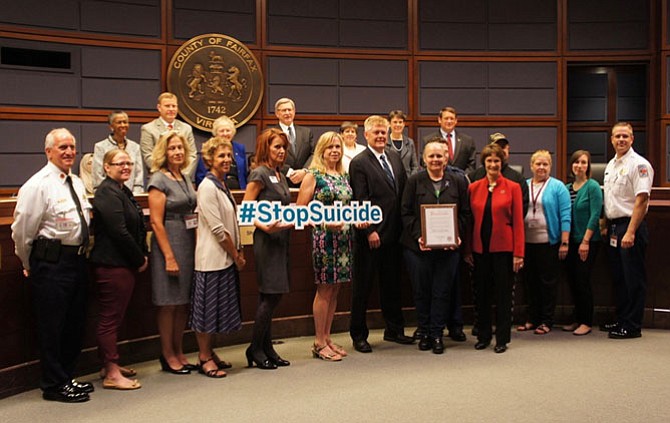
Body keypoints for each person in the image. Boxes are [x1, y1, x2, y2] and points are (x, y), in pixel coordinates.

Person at [11, 128, 94, 402]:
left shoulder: (77, 182)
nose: (69, 151)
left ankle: (67, 377)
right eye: (63, 147)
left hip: (77, 260)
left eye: (72, 146)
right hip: (51, 263)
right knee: (53, 325)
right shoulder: (38, 185)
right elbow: (22, 231)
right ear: (48, 152)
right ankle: (53, 384)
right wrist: (27, 261)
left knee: (74, 323)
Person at [349, 115, 413, 353]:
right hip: (371, 237)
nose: (380, 136)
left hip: (395, 236)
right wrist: (370, 232)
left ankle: (394, 330)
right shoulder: (359, 162)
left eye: (383, 132)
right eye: (375, 132)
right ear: (366, 135)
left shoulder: (395, 158)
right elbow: (360, 199)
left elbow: (403, 193)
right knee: (363, 288)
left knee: (392, 285)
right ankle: (358, 335)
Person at [400, 140, 470, 354]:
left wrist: (457, 235)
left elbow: (466, 214)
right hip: (417, 248)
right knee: (422, 291)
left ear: (446, 158)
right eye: (431, 156)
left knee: (442, 291)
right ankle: (425, 331)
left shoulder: (457, 181)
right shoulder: (414, 181)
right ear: (424, 159)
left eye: (439, 156)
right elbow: (406, 212)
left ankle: (437, 333)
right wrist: (420, 236)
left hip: (448, 250)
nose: (435, 160)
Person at [90, 149, 147, 390]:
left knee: (115, 316)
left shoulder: (121, 190)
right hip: (113, 264)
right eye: (119, 163)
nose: (125, 167)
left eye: (128, 163)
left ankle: (109, 362)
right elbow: (119, 232)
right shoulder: (106, 192)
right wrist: (139, 258)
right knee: (110, 319)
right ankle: (111, 372)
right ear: (106, 167)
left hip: (122, 263)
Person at [297, 131, 354, 362]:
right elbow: (300, 211)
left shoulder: (343, 175)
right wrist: (323, 222)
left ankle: (327, 337)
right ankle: (319, 342)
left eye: (338, 147)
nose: (334, 151)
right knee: (324, 289)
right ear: (321, 150)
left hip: (344, 241)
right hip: (324, 240)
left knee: (336, 288)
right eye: (330, 147)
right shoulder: (313, 175)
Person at [191, 137, 246, 378]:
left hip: (224, 259)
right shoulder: (207, 187)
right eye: (221, 156)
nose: (226, 160)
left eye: (228, 155)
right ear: (209, 159)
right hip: (211, 261)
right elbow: (217, 230)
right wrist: (236, 255)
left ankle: (210, 353)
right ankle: (204, 357)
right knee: (205, 312)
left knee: (214, 311)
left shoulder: (221, 185)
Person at [464, 143, 524, 353]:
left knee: (502, 295)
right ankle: (483, 336)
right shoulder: (473, 187)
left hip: (504, 250)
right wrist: (468, 250)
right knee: (481, 295)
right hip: (480, 250)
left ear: (502, 162)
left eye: (496, 161)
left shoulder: (513, 187)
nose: (493, 164)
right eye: (489, 161)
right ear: (484, 163)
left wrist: (518, 253)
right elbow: (469, 222)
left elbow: (518, 222)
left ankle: (502, 339)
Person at [243, 128, 294, 369]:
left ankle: (266, 347)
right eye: (277, 147)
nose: (282, 151)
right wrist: (265, 227)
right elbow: (246, 209)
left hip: (282, 239)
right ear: (266, 148)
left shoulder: (280, 175)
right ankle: (255, 348)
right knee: (270, 295)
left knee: (273, 295)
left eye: (284, 147)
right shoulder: (259, 174)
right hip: (266, 240)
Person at [147, 131, 197, 374]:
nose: (177, 152)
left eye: (180, 148)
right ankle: (167, 354)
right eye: (172, 148)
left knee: (182, 302)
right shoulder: (159, 179)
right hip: (168, 243)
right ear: (163, 153)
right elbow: (156, 222)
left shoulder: (185, 178)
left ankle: (178, 350)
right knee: (168, 303)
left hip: (188, 243)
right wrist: (168, 256)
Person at [601, 122, 654, 339]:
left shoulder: (639, 164)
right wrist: (605, 225)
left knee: (633, 278)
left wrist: (631, 231)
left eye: (625, 136)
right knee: (620, 278)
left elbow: (641, 200)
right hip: (614, 227)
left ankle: (632, 325)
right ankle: (621, 319)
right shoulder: (611, 165)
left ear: (632, 139)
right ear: (612, 139)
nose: (621, 140)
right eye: (617, 136)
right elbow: (610, 198)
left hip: (630, 226)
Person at [518, 150, 571, 335]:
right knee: (529, 282)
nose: (541, 167)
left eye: (545, 164)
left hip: (549, 243)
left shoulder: (558, 187)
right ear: (531, 166)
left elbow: (565, 215)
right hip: (526, 242)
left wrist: (564, 242)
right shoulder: (523, 185)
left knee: (547, 283)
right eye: (538, 164)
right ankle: (532, 318)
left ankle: (546, 320)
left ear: (550, 166)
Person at [563, 150, 603, 336]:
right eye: (576, 162)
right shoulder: (567, 187)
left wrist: (585, 241)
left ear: (589, 166)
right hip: (571, 242)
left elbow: (596, 215)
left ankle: (586, 321)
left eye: (584, 162)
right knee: (572, 281)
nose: (579, 165)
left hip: (587, 242)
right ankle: (578, 318)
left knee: (582, 280)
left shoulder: (592, 186)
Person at [469, 133, 529, 216]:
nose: (501, 150)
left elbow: (522, 211)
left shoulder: (518, 179)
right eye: (497, 147)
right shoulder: (474, 177)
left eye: (503, 147)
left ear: (508, 149)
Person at [141, 92, 197, 179]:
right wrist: (167, 176)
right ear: (159, 108)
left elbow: (192, 155)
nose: (171, 109)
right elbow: (148, 157)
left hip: (183, 178)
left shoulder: (186, 128)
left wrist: (181, 174)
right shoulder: (148, 129)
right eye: (167, 106)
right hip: (158, 179)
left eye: (174, 106)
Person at [92, 110, 144, 194]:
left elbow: (138, 176)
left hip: (132, 195)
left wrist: (134, 196)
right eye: (119, 122)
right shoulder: (100, 147)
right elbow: (98, 177)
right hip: (109, 195)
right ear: (111, 126)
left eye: (125, 122)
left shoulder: (135, 147)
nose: (123, 125)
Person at [195, 115, 248, 189]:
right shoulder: (209, 148)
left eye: (228, 130)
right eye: (222, 131)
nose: (225, 134)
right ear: (216, 133)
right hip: (217, 190)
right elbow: (200, 176)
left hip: (240, 191)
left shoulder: (240, 148)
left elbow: (244, 174)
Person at [273, 97, 315, 186]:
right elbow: (267, 156)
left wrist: (304, 171)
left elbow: (314, 154)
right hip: (281, 181)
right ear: (277, 113)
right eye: (284, 110)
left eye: (289, 110)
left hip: (305, 181)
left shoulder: (306, 132)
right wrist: (290, 172)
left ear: (294, 111)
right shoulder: (270, 133)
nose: (287, 113)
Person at [422, 106, 476, 173]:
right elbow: (424, 163)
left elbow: (472, 164)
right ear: (439, 120)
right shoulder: (428, 140)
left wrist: (462, 178)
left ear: (456, 121)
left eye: (452, 119)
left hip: (461, 181)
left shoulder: (467, 141)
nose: (449, 121)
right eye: (446, 118)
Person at [387, 110, 419, 177]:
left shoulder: (410, 142)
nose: (398, 125)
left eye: (400, 122)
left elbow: (415, 166)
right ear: (389, 124)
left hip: (408, 182)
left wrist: (410, 180)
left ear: (404, 124)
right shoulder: (385, 143)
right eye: (395, 122)